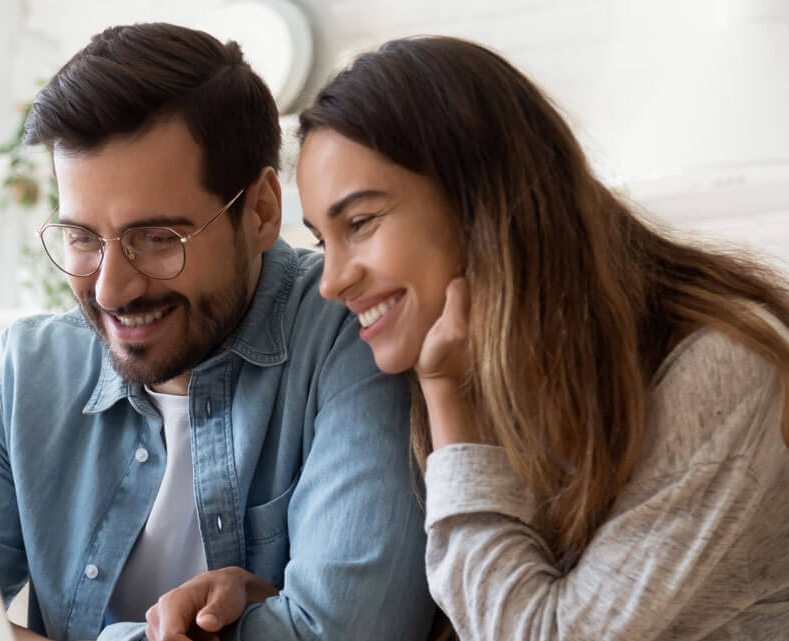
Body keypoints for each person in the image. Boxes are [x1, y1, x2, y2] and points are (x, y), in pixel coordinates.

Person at [147, 35, 789, 640]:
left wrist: (447, 404)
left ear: (479, 201)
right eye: (322, 240)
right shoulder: (480, 371)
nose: (332, 280)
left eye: (362, 222)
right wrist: (265, 605)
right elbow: (478, 600)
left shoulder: (721, 369)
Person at [0, 23, 436, 641]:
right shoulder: (27, 372)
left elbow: (346, 632)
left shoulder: (354, 330)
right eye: (82, 237)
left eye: (157, 239)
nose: (109, 290)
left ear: (260, 211)